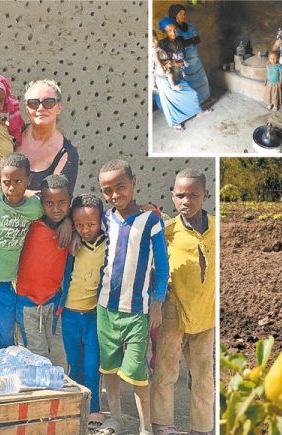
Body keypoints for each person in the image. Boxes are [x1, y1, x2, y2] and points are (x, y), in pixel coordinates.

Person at [95, 160, 169, 435]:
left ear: (134, 182)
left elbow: (162, 267)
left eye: (121, 187)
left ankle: (145, 427)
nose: (115, 195)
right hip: (105, 308)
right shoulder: (105, 218)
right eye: (108, 190)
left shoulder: (151, 220)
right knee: (109, 369)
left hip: (138, 311)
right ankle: (115, 417)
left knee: (138, 374)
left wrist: (157, 303)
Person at [151, 169, 215, 435]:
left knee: (203, 375)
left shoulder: (217, 226)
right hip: (174, 309)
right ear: (172, 197)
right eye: (180, 195)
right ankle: (162, 425)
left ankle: (201, 427)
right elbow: (150, 261)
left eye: (193, 195)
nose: (186, 201)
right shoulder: (167, 230)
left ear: (205, 195)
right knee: (166, 371)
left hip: (206, 312)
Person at [0, 153, 43, 348]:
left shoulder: (35, 207)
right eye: (6, 182)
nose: (12, 188)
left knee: (5, 334)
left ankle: (3, 376)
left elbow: (57, 208)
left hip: (8, 283)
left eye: (18, 181)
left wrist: (67, 222)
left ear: (29, 180)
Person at [57, 193, 107, 431]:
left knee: (93, 364)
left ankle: (94, 408)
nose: (85, 229)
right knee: (74, 361)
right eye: (80, 225)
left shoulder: (109, 242)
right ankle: (76, 404)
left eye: (91, 224)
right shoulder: (72, 243)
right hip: (70, 313)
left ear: (101, 222)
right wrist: (71, 227)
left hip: (94, 315)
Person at [14, 174, 71, 357]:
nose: (56, 209)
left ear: (69, 201)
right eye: (49, 203)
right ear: (41, 202)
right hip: (27, 303)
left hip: (52, 302)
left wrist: (68, 221)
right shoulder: (32, 224)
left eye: (62, 202)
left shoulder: (72, 228)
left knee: (55, 355)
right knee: (34, 356)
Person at [10, 80, 79, 194]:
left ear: (59, 107)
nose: (41, 108)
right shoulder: (10, 136)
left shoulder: (67, 154)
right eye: (33, 103)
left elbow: (54, 197)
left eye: (48, 102)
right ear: (27, 109)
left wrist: (1, 188)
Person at [155, 18, 203, 132]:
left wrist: (175, 63)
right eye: (169, 31)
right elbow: (159, 63)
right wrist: (170, 64)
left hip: (178, 75)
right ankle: (176, 123)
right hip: (167, 77)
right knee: (172, 101)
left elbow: (183, 60)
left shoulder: (179, 42)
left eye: (175, 30)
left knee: (192, 94)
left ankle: (196, 112)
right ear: (164, 32)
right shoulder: (161, 45)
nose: (173, 33)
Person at [168, 4, 210, 103]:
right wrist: (190, 41)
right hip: (185, 62)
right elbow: (181, 44)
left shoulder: (190, 27)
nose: (185, 16)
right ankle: (196, 104)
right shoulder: (174, 29)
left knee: (202, 80)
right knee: (191, 83)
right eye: (181, 14)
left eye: (184, 14)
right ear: (175, 16)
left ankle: (205, 99)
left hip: (195, 59)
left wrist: (187, 41)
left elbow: (197, 40)